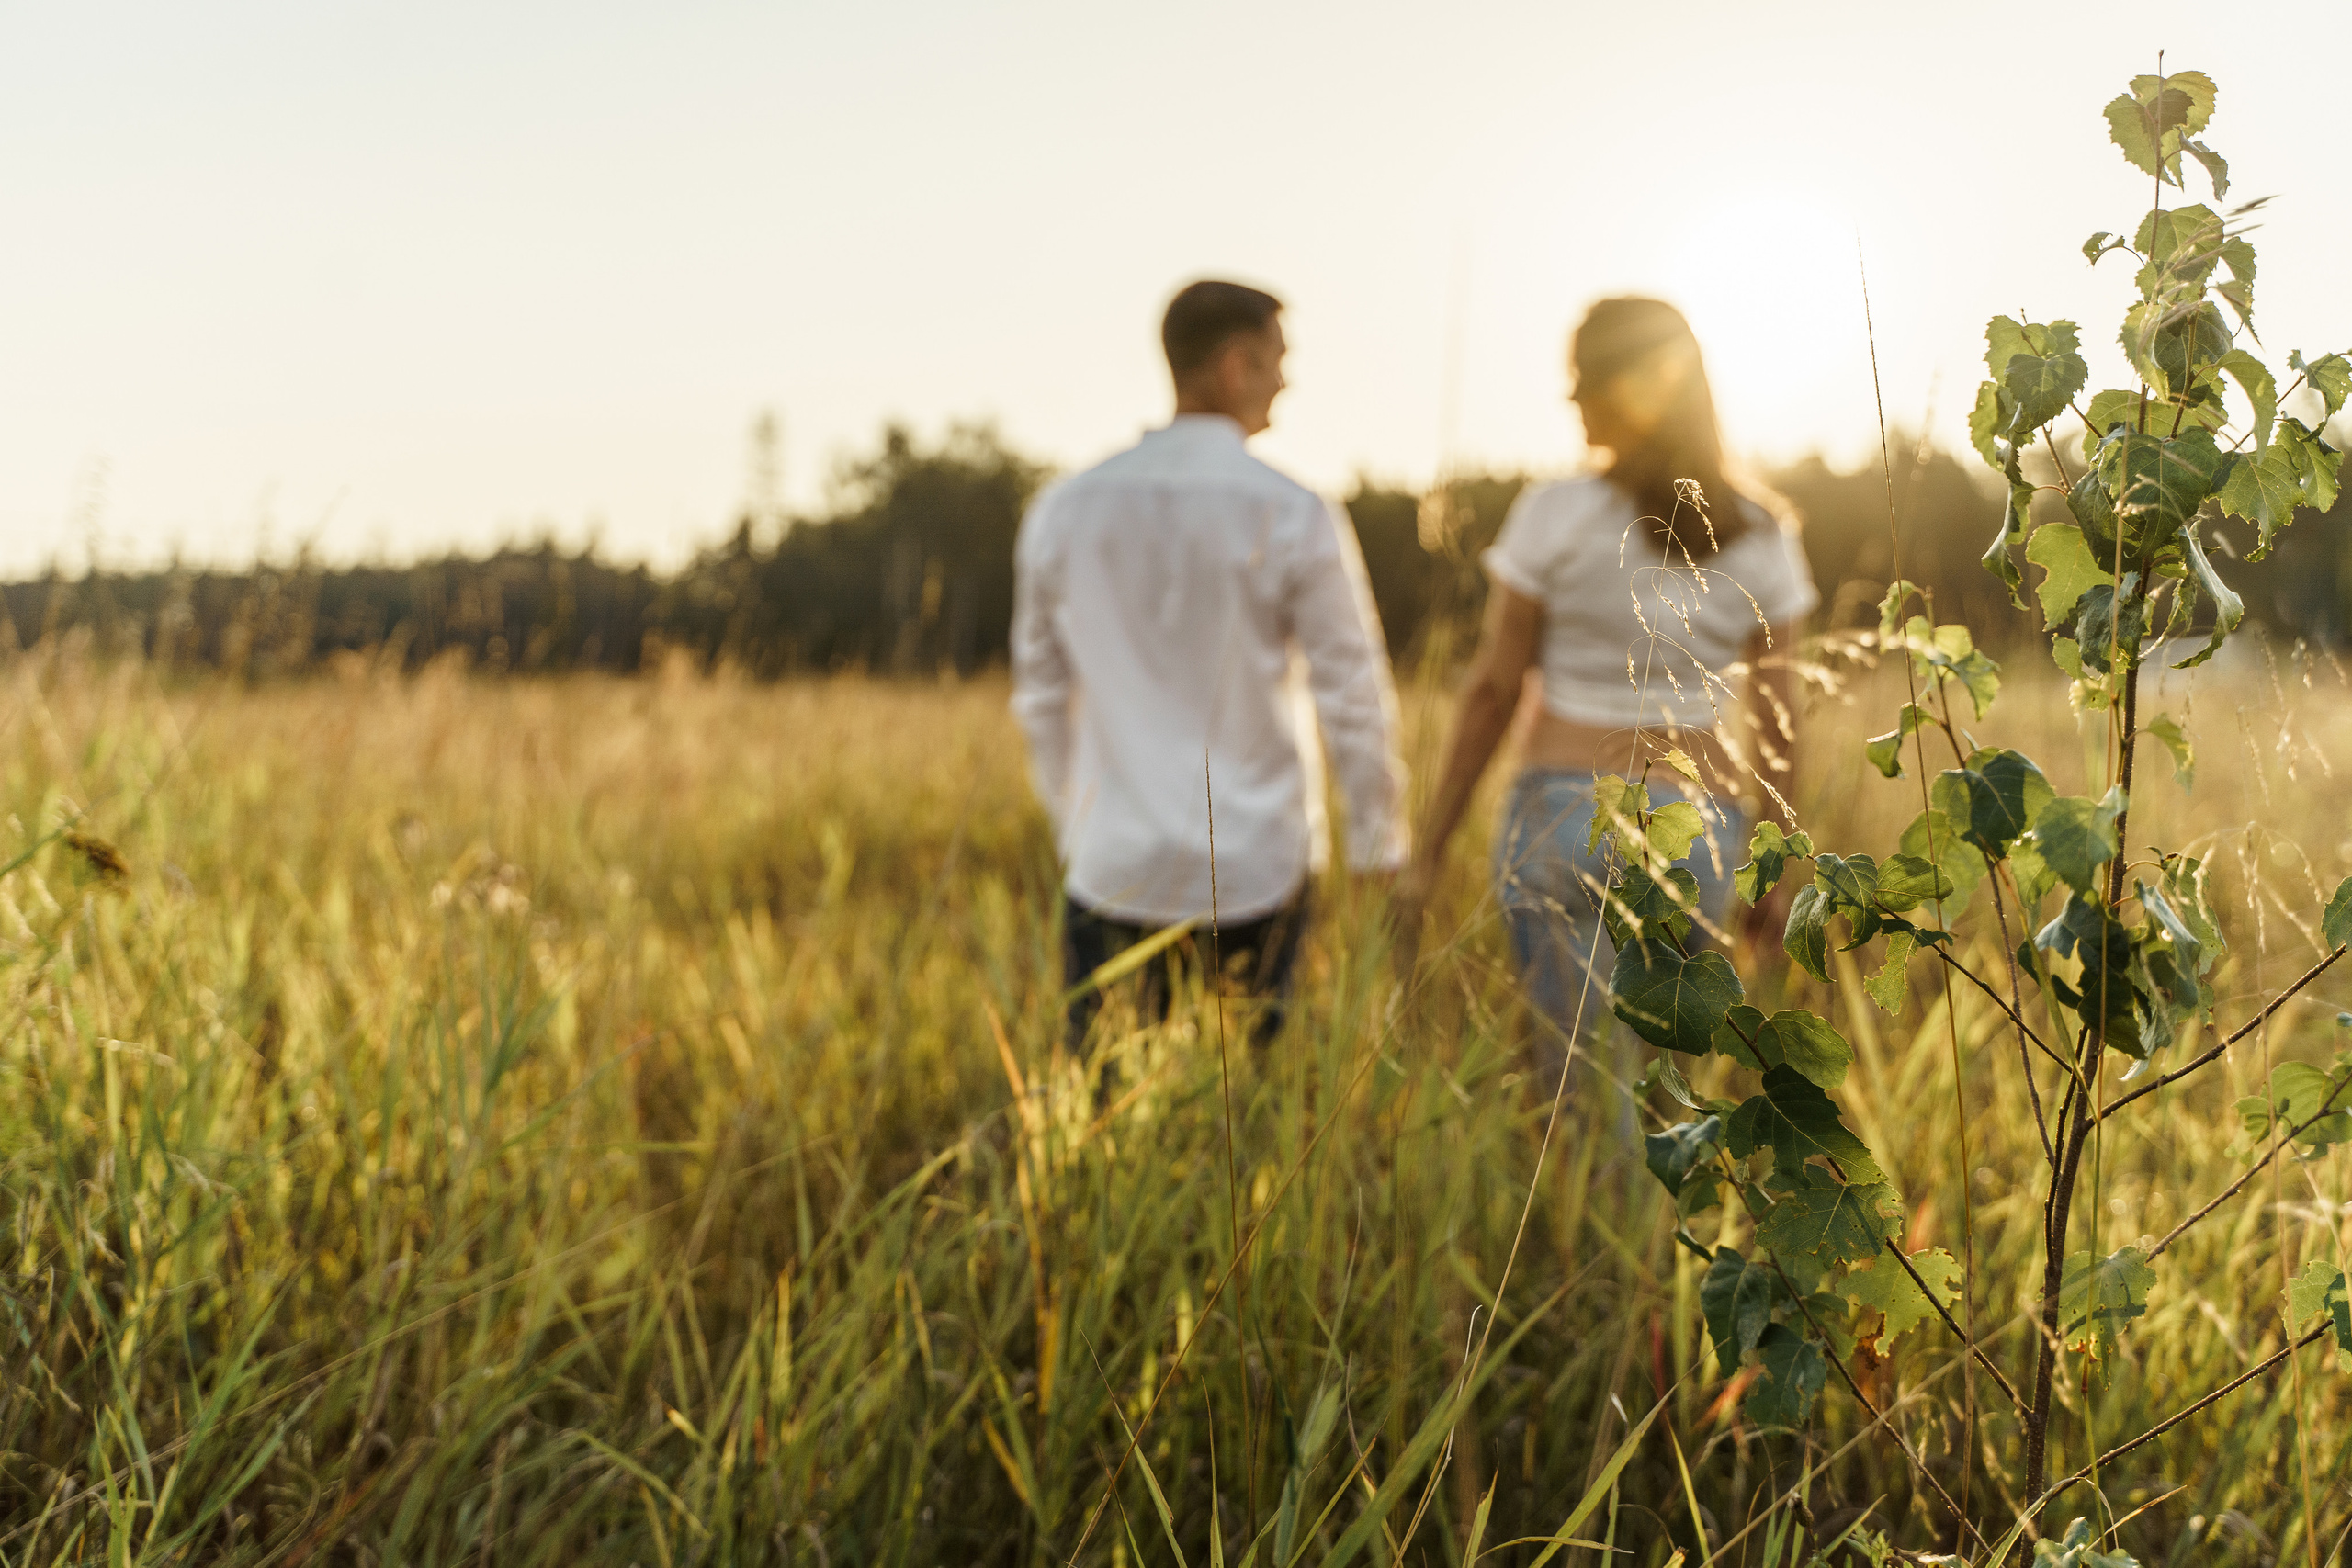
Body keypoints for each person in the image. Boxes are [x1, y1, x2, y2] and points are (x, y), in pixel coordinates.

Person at [1399, 297, 1817, 1084]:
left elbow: (1493, 689)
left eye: (1581, 379)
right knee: (1676, 1091)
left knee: (1583, 1092)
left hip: (1561, 815)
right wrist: (1777, 864)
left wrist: (1431, 844)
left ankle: (1601, 1205)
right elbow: (1780, 712)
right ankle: (1678, 1213)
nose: (1570, 398)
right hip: (1702, 830)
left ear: (1632, 387)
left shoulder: (1552, 514)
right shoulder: (1763, 532)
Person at [1010, 279, 1408, 1055]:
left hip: (1111, 864)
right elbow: (1353, 693)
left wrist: (1077, 826)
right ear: (1234, 367)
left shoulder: (1065, 509)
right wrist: (1375, 842)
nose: (1284, 382)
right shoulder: (1294, 510)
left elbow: (1039, 695)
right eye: (1275, 362)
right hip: (1257, 866)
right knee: (1251, 1117)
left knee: (1101, 1110)